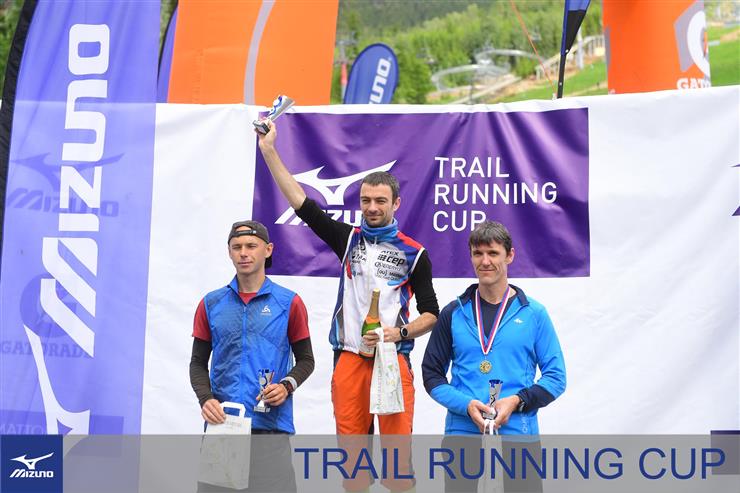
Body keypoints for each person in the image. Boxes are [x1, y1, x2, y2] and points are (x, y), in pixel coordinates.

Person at [257, 120, 439, 490]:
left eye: (380, 201)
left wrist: (399, 332)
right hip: (350, 360)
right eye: (366, 201)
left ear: (396, 203)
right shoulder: (348, 239)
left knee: (397, 467)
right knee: (353, 469)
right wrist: (269, 150)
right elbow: (302, 204)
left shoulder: (414, 253)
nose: (372, 208)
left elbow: (431, 313)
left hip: (392, 360)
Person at [422, 221, 565, 492]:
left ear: (509, 255)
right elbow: (431, 374)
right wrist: (466, 405)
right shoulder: (453, 313)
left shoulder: (534, 314)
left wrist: (517, 401)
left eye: (493, 253)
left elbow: (556, 378)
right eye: (478, 253)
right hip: (463, 432)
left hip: (519, 434)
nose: (485, 261)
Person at [189, 220, 314, 492]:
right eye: (237, 247)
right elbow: (197, 363)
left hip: (270, 429)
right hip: (223, 426)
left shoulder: (289, 302)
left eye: (251, 246)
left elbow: (306, 360)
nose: (243, 253)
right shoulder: (211, 303)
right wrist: (206, 399)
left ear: (268, 250)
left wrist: (286, 386)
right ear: (229, 252)